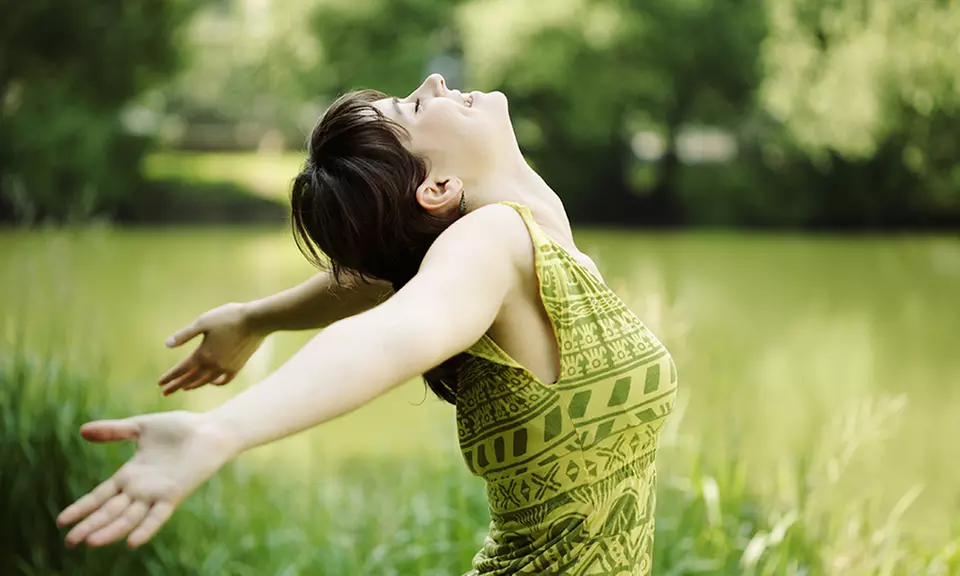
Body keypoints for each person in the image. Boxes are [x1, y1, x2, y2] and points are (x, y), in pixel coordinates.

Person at [56, 74, 678, 575]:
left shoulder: (533, 237)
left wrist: (256, 318)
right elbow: (398, 328)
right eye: (412, 107)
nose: (434, 82)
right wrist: (221, 431)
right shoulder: (494, 239)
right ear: (437, 186)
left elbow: (378, 280)